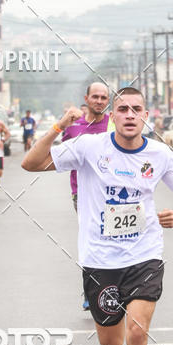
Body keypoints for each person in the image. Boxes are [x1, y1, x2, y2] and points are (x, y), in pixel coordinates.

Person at [22, 86, 173, 345]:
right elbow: (31, 163)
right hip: (100, 260)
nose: (130, 115)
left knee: (138, 332)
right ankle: (111, 342)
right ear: (112, 116)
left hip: (144, 255)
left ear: (146, 115)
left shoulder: (159, 153)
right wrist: (58, 127)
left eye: (137, 109)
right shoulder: (89, 147)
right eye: (123, 109)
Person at [62, 82, 111, 310]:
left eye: (104, 97)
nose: (99, 101)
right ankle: (90, 290)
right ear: (87, 99)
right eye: (95, 97)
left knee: (111, 239)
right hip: (81, 194)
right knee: (91, 239)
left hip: (112, 194)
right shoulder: (74, 128)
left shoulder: (113, 124)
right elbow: (62, 157)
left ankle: (110, 286)